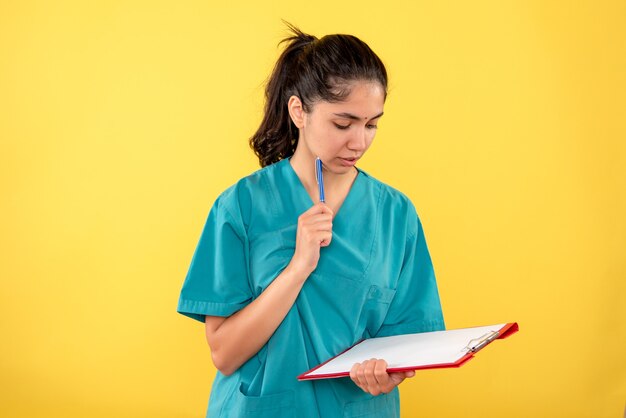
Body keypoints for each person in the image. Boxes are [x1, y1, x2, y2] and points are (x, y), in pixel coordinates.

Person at [177, 23, 445, 418]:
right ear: (298, 111)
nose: (359, 142)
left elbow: (407, 340)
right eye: (343, 123)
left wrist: (391, 375)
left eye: (371, 124)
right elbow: (224, 352)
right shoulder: (242, 206)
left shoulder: (396, 214)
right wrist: (298, 268)